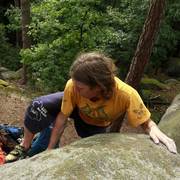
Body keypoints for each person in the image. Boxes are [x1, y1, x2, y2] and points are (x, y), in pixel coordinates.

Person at [5, 52, 177, 162]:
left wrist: (153, 129)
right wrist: (50, 150)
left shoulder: (126, 94)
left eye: (80, 87)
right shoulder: (73, 87)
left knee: (98, 156)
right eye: (74, 84)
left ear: (98, 86)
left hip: (94, 124)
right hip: (75, 108)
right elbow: (63, 117)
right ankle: (26, 144)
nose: (75, 88)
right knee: (38, 106)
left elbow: (146, 123)